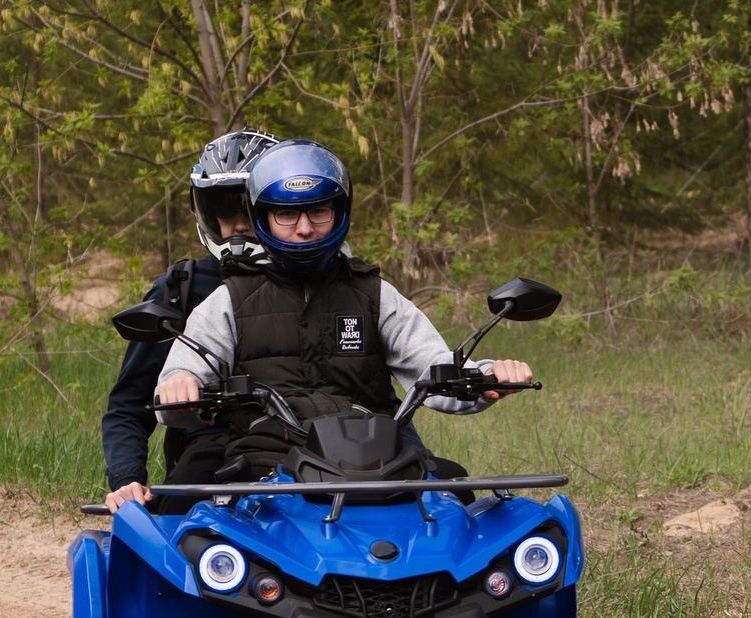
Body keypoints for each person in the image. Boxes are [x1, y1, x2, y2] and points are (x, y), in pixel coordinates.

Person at [153, 140, 531, 483]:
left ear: (340, 211)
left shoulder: (375, 294)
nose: (304, 229)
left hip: (377, 462)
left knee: (460, 503)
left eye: (318, 211)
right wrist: (180, 385)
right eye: (286, 215)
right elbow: (180, 382)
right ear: (262, 217)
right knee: (186, 522)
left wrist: (486, 376)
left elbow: (433, 370)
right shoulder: (228, 300)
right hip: (266, 465)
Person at [100, 129, 279, 510]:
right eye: (223, 211)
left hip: (312, 449)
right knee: (170, 538)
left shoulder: (319, 279)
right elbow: (128, 406)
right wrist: (127, 480)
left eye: (247, 207)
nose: (238, 224)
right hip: (211, 456)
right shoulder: (180, 289)